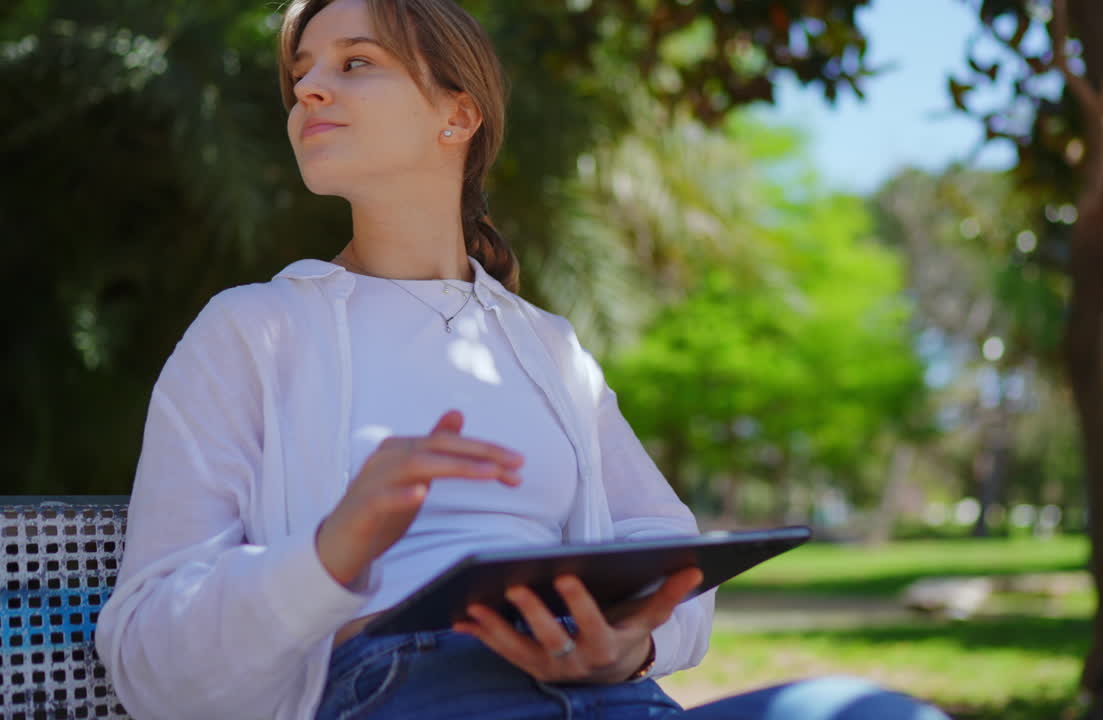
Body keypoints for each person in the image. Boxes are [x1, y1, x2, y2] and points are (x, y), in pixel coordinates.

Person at [94, 1, 951, 718]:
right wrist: (329, 553)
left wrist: (627, 645)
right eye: (302, 74)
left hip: (606, 696)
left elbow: (667, 548)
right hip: (402, 687)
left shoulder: (548, 348)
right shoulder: (252, 331)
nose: (309, 89)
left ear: (458, 115)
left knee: (875, 712)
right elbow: (145, 660)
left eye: (356, 62)